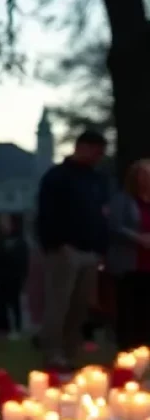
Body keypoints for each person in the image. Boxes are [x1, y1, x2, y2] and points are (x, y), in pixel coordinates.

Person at [36, 128, 109, 368]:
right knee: (59, 304)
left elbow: (101, 214)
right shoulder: (57, 177)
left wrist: (100, 248)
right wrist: (57, 244)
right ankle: (52, 352)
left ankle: (70, 351)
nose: (98, 157)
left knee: (79, 307)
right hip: (65, 251)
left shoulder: (96, 180)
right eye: (96, 152)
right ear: (83, 147)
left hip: (89, 252)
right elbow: (46, 215)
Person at [107, 159, 150, 350]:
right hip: (129, 262)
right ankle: (128, 348)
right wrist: (138, 238)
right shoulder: (123, 199)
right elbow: (115, 225)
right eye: (144, 174)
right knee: (129, 307)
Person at [0, 212, 29, 337]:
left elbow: (24, 260)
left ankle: (17, 328)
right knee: (0, 305)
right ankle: (3, 328)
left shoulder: (19, 241)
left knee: (15, 305)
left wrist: (23, 276)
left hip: (15, 278)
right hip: (0, 278)